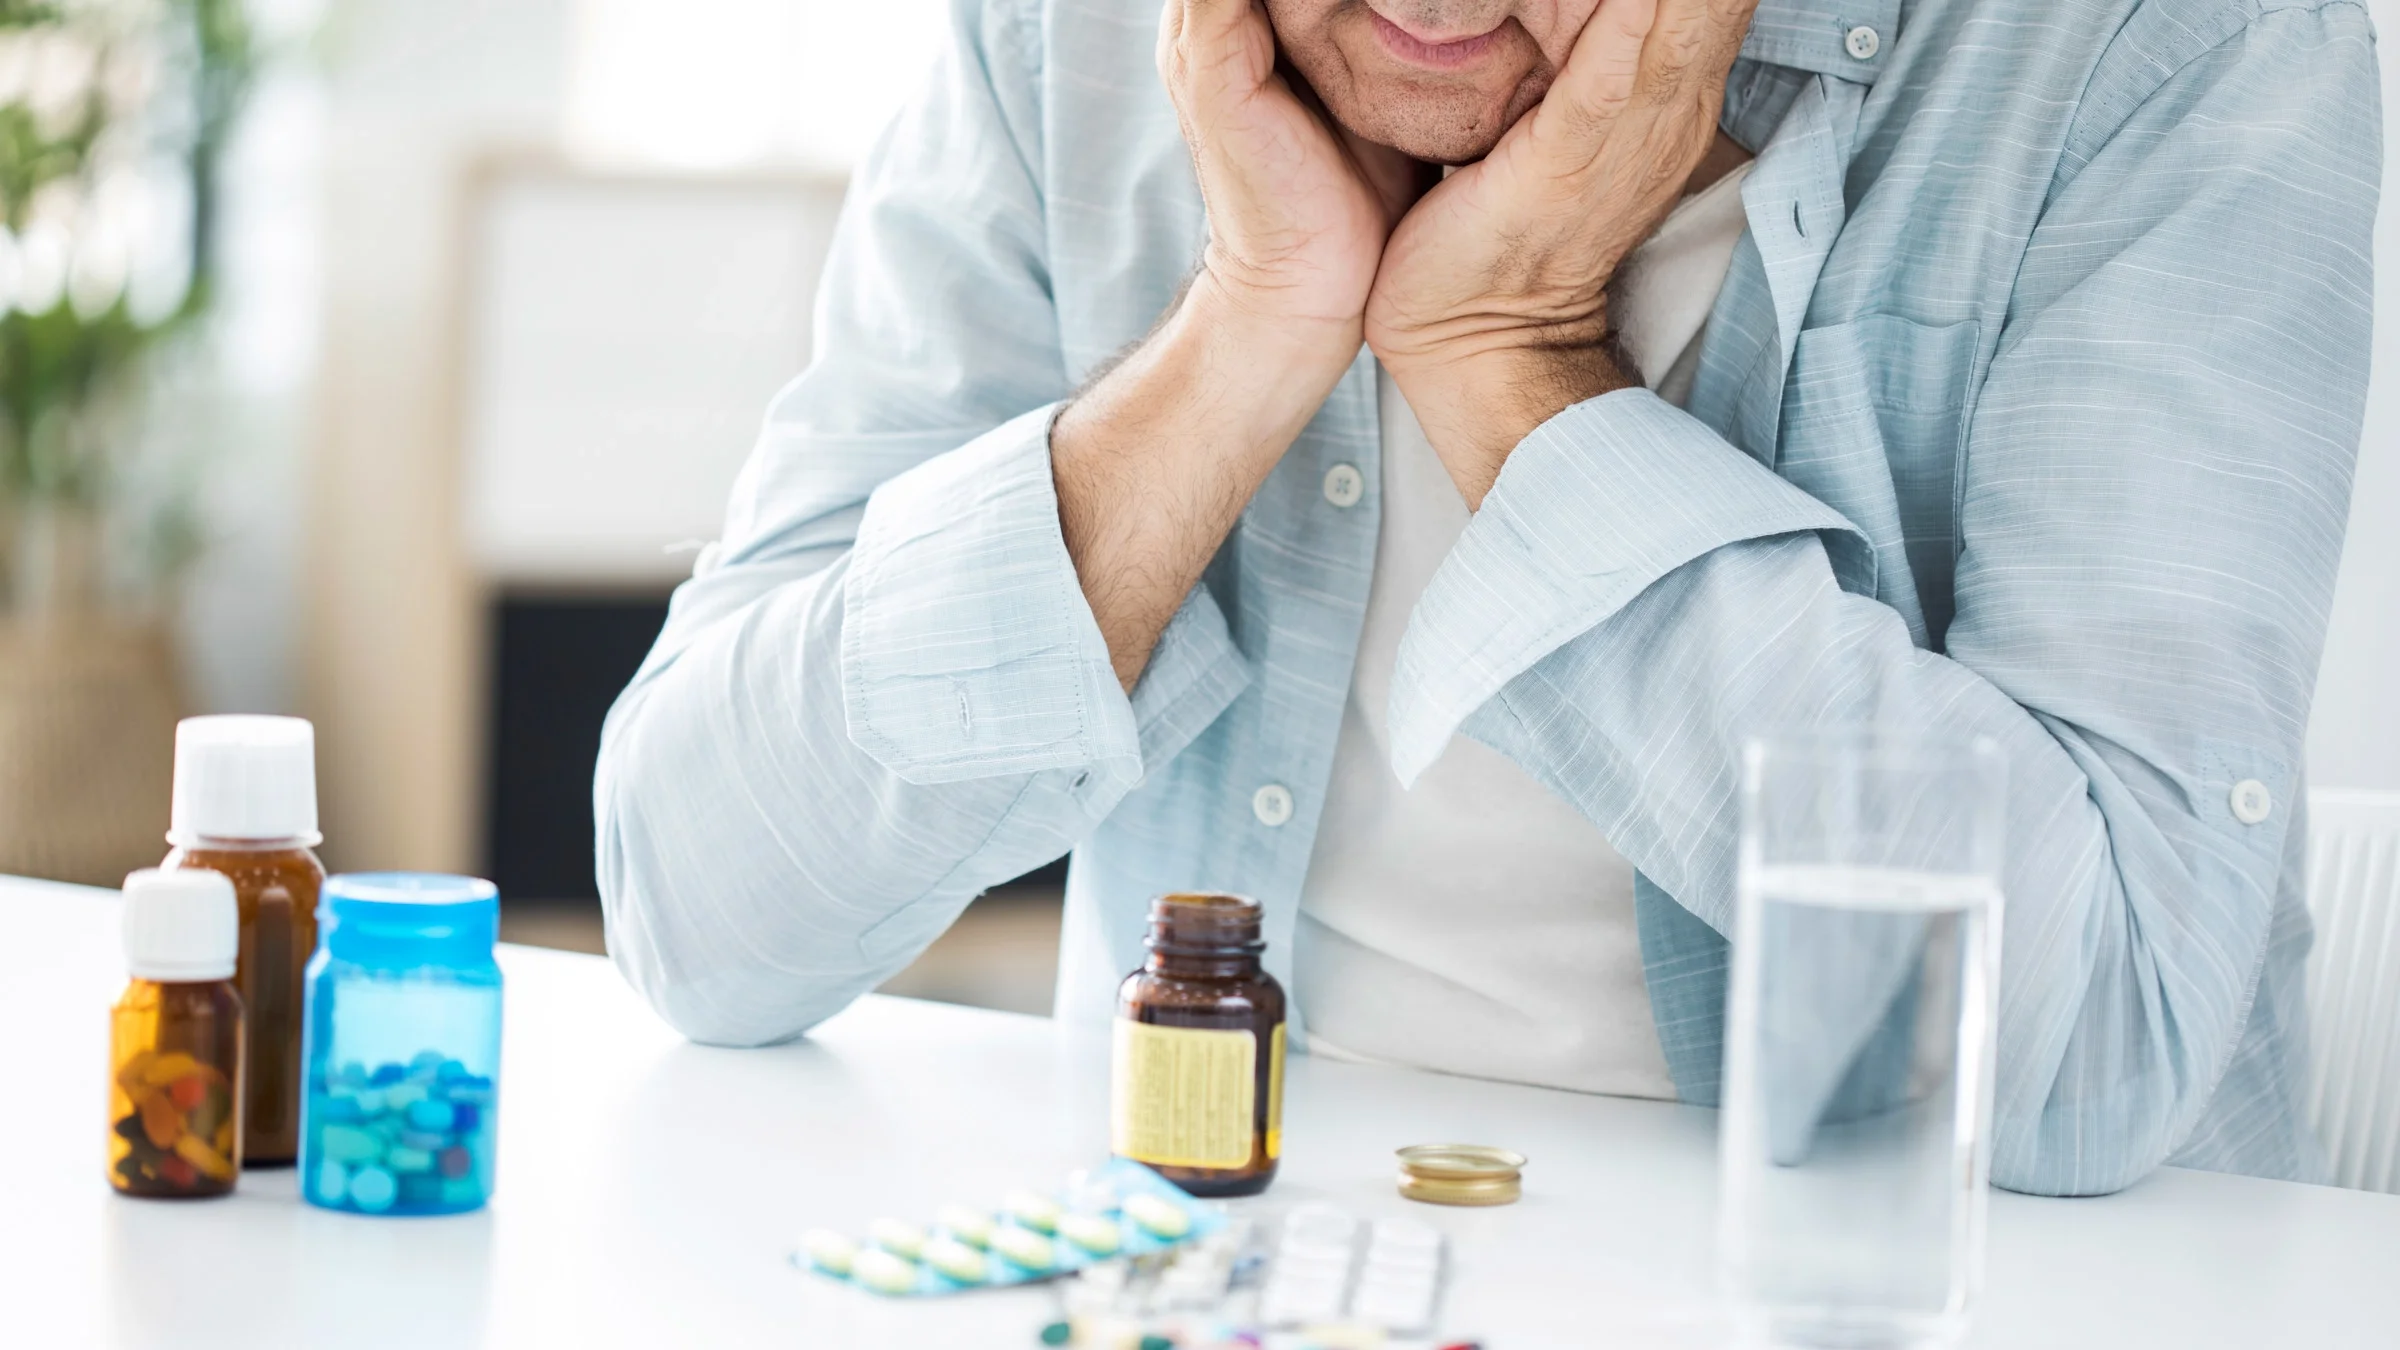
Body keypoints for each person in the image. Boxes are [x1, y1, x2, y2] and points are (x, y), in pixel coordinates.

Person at [592, 0, 2378, 1196]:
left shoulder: (2165, 49)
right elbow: (706, 911)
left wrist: (1510, 366)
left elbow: (2105, 1047)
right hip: (1229, 1253)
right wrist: (1244, 327)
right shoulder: (1059, 40)